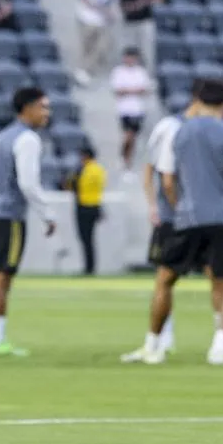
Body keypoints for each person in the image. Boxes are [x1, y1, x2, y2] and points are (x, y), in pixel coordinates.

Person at [121, 80, 223, 366]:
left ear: (197, 100)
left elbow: (166, 179)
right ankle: (221, 343)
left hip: (185, 218)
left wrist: (180, 207)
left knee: (165, 280)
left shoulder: (177, 132)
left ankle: (153, 345)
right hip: (221, 217)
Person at [0, 87, 56, 358]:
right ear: (28, 108)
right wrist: (48, 214)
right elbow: (28, 183)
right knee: (3, 277)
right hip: (10, 215)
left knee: (0, 277)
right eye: (43, 107)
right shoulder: (28, 139)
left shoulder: (0, 138)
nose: (47, 113)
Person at [110, 47, 152, 171]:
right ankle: (123, 157)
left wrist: (128, 90)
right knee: (127, 135)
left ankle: (128, 161)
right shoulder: (118, 72)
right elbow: (118, 90)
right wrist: (134, 90)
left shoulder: (141, 72)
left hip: (138, 110)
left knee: (133, 137)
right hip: (124, 110)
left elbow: (145, 89)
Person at [69, 145, 106, 276]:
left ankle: (88, 268)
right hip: (95, 206)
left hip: (83, 206)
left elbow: (72, 185)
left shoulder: (82, 169)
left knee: (85, 239)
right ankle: (91, 267)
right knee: (90, 239)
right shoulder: (99, 169)